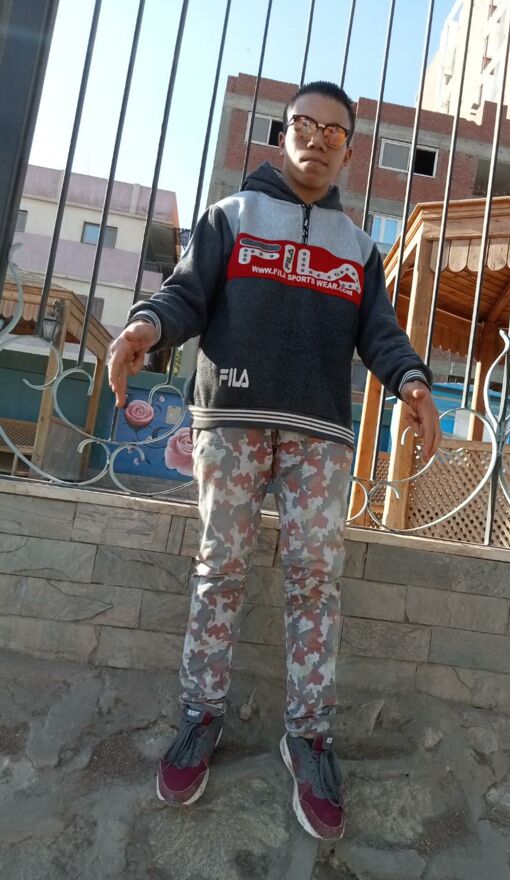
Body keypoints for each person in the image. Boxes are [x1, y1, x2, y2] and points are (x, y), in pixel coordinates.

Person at [107, 80, 441, 840]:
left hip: (319, 435)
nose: (317, 140)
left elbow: (380, 333)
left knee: (315, 581)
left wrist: (413, 382)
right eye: (304, 125)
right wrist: (144, 329)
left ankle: (309, 736)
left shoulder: (360, 248)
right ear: (282, 133)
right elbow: (184, 295)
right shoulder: (230, 217)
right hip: (232, 421)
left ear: (349, 151)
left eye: (334, 132)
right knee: (220, 568)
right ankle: (200, 715)